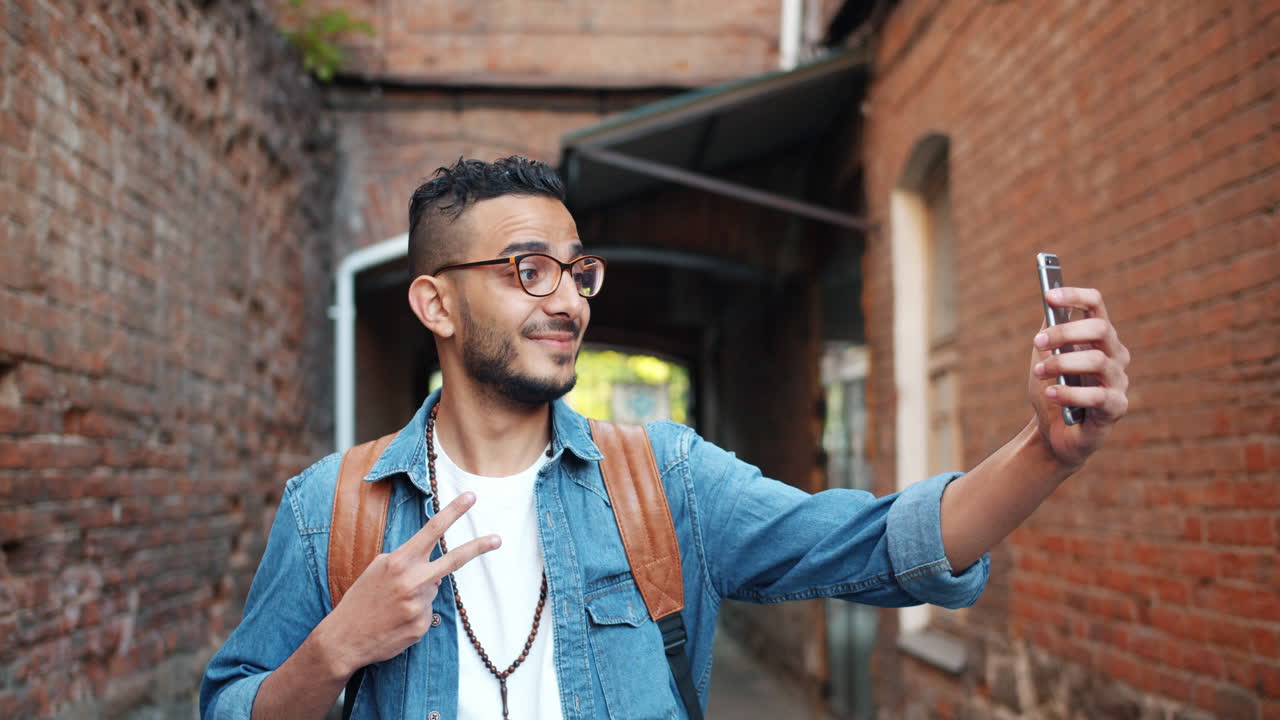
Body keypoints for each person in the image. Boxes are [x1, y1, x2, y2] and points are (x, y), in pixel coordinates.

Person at [200, 156, 1131, 720]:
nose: (568, 301)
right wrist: (331, 651)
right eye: (528, 271)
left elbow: (878, 544)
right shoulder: (332, 506)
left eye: (576, 272)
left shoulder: (664, 478)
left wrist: (1045, 452)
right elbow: (233, 706)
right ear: (435, 303)